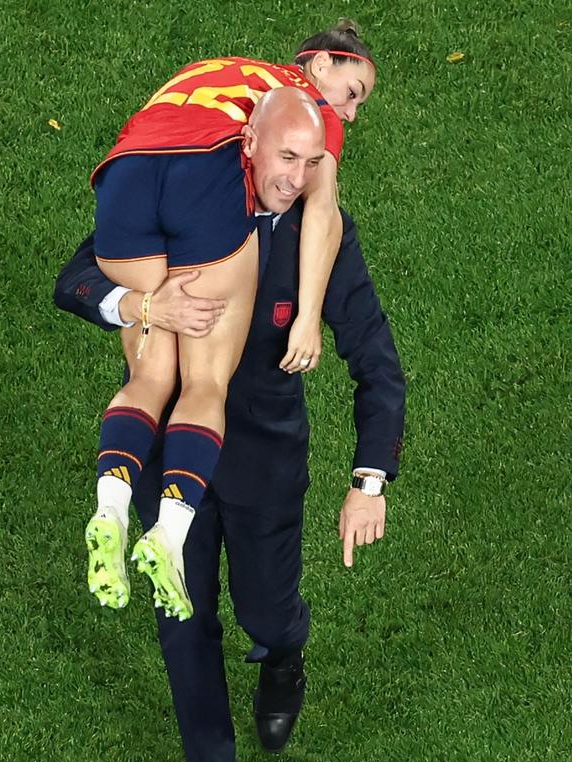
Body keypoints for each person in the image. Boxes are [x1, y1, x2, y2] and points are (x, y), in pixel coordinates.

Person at [54, 113, 405, 762]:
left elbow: (375, 357)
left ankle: (283, 653)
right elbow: (78, 278)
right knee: (181, 621)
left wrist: (368, 480)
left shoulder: (322, 236)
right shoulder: (188, 199)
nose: (296, 176)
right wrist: (146, 304)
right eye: (285, 157)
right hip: (168, 454)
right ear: (250, 148)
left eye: (312, 162)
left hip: (263, 466)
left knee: (266, 610)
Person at [83, 22, 377, 621]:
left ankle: (108, 506)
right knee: (204, 382)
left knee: (152, 366)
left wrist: (145, 305)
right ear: (319, 64)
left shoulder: (227, 71)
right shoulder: (303, 110)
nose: (350, 111)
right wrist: (308, 316)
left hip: (124, 173)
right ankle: (167, 534)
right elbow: (322, 213)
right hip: (203, 183)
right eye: (353, 90)